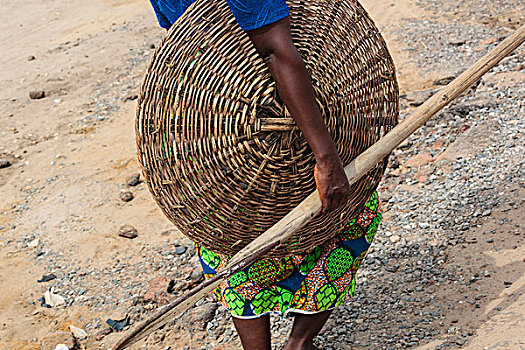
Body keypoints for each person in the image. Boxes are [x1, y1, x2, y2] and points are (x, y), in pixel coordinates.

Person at [148, 1, 382, 349]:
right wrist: (326, 157)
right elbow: (275, 49)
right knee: (349, 217)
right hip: (281, 123)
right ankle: (299, 344)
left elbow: (185, 40)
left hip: (214, 126)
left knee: (228, 231)